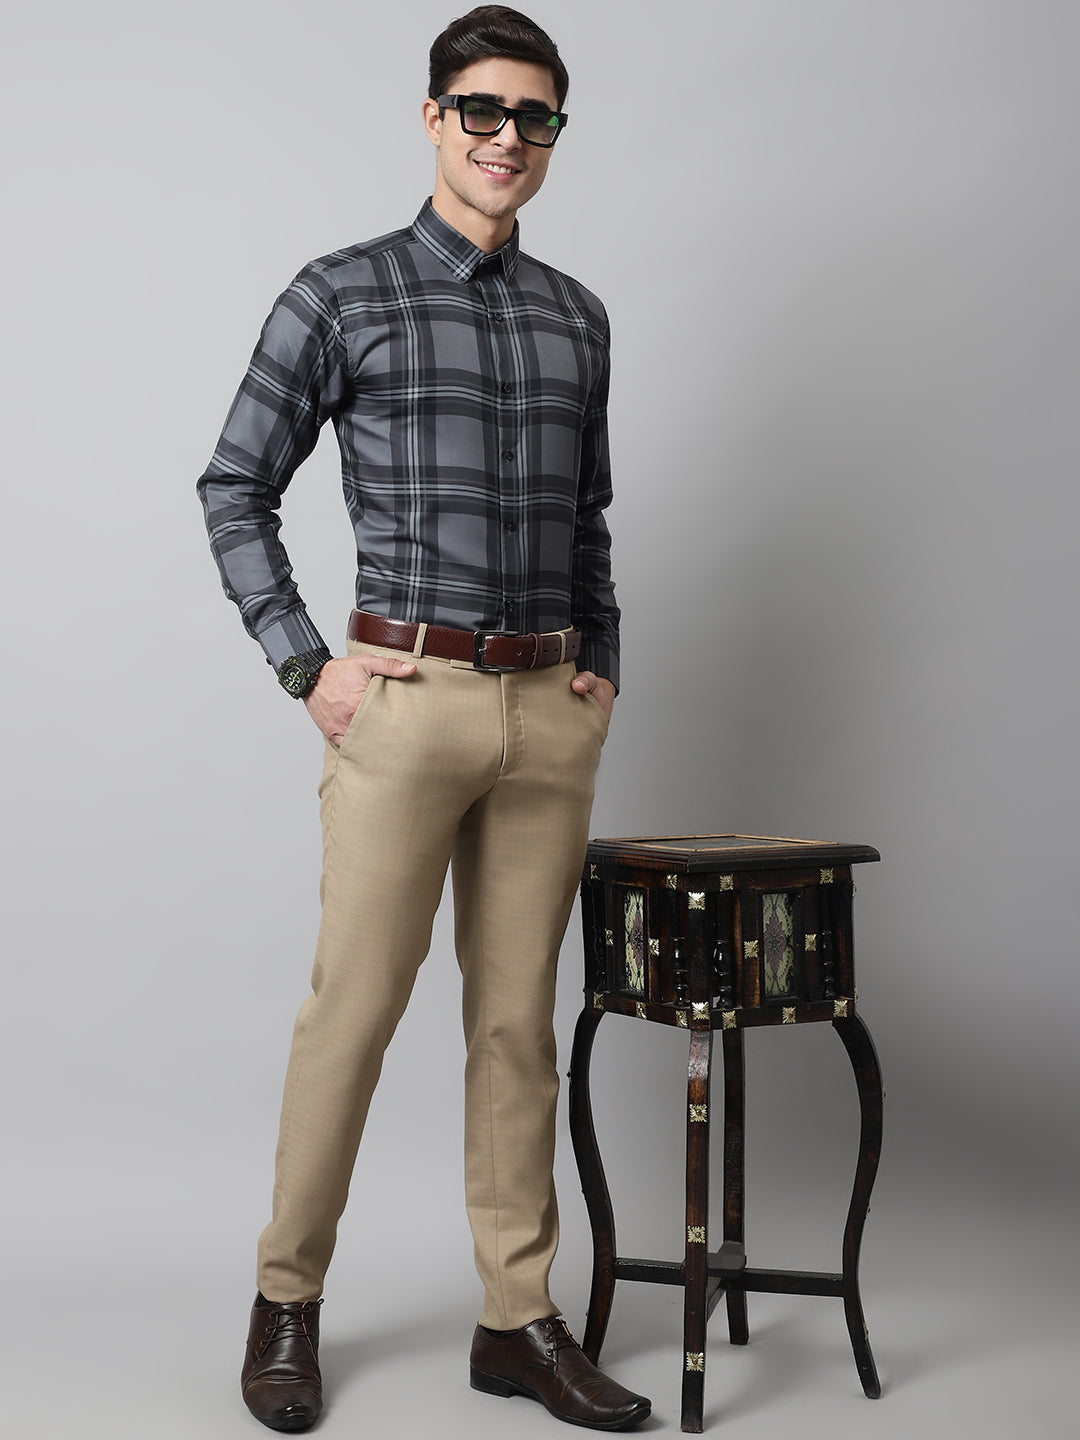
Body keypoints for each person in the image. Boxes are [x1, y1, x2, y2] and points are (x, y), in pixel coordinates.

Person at [198, 6, 649, 1432]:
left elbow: (587, 514)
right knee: (353, 1014)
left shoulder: (579, 316)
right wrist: (306, 666)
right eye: (482, 110)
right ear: (435, 118)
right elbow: (233, 487)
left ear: (554, 135)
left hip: (545, 718)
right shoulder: (343, 293)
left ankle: (517, 1322)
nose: (507, 138)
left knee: (516, 1029)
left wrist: (601, 658)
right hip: (403, 705)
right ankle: (285, 1302)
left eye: (534, 117)